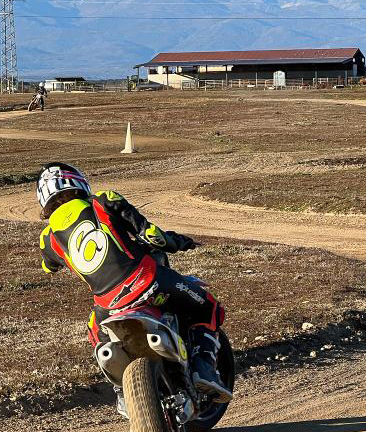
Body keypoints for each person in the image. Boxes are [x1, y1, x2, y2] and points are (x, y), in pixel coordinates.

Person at [35, 162, 232, 409]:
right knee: (208, 307)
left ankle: (121, 391)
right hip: (148, 282)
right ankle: (203, 367)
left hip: (107, 306)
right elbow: (152, 236)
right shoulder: (104, 200)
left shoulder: (47, 238)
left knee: (96, 335)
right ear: (78, 182)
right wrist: (180, 242)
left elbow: (48, 267)